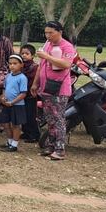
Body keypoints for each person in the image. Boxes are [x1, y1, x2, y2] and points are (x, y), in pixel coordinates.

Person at [31, 21, 76, 160]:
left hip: (59, 88)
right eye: (46, 33)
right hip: (46, 87)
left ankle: (60, 149)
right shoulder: (47, 45)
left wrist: (47, 56)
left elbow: (66, 64)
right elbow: (40, 66)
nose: (48, 35)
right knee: (49, 118)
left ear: (60, 32)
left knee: (58, 119)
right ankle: (50, 145)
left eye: (51, 32)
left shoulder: (67, 47)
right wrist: (35, 83)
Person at [0, 54, 28, 152]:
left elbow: (23, 93)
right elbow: (4, 88)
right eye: (10, 64)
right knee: (6, 124)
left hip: (17, 105)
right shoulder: (8, 76)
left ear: (21, 65)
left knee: (16, 125)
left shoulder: (22, 78)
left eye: (15, 63)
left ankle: (14, 145)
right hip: (7, 104)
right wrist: (3, 97)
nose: (12, 66)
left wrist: (12, 102)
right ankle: (9, 141)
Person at [20, 44, 40, 143]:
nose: (24, 55)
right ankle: (26, 132)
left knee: (31, 115)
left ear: (32, 55)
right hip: (22, 95)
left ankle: (34, 134)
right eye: (22, 53)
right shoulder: (20, 66)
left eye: (27, 54)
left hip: (30, 94)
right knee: (23, 114)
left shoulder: (35, 67)